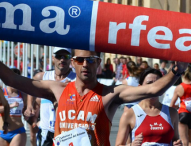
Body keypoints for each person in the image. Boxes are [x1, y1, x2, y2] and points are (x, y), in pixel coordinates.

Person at [0, 49, 187, 146]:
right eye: (80, 60)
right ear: (73, 63)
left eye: (90, 61)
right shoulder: (57, 89)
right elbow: (12, 79)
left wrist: (176, 71)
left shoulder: (110, 93)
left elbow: (152, 90)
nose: (85, 65)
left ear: (98, 64)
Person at [116, 68, 182, 146]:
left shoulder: (172, 112)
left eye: (157, 83)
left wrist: (178, 144)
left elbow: (175, 140)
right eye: (149, 83)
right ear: (140, 87)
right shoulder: (129, 114)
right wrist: (131, 145)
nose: (153, 87)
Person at [25, 47, 76, 146]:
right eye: (58, 56)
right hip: (46, 130)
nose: (62, 59)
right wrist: (29, 106)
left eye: (65, 56)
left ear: (70, 59)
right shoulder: (43, 77)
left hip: (68, 131)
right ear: (53, 58)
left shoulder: (76, 79)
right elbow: (31, 88)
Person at [0, 68, 27, 146]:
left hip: (18, 131)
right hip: (1, 132)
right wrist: (10, 106)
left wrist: (28, 114)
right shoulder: (2, 92)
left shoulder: (23, 94)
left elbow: (27, 109)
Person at [170, 65, 191, 146]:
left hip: (183, 113)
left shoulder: (179, 87)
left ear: (182, 74)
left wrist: (177, 106)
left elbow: (171, 105)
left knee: (184, 140)